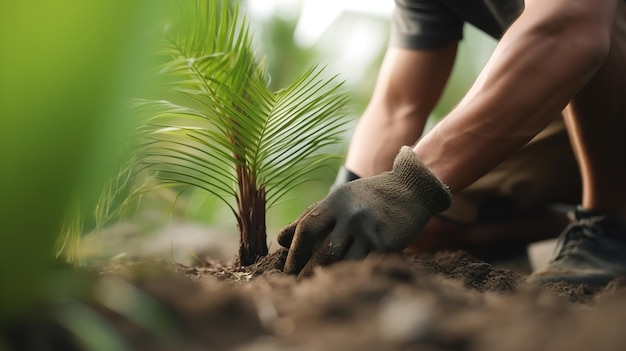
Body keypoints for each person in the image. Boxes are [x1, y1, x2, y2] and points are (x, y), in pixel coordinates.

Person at [277, 0, 626, 286]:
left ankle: (608, 228)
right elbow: (398, 106)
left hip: (590, 51)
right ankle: (568, 222)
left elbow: (569, 26)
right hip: (588, 112)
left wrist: (406, 186)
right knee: (429, 225)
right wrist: (346, 203)